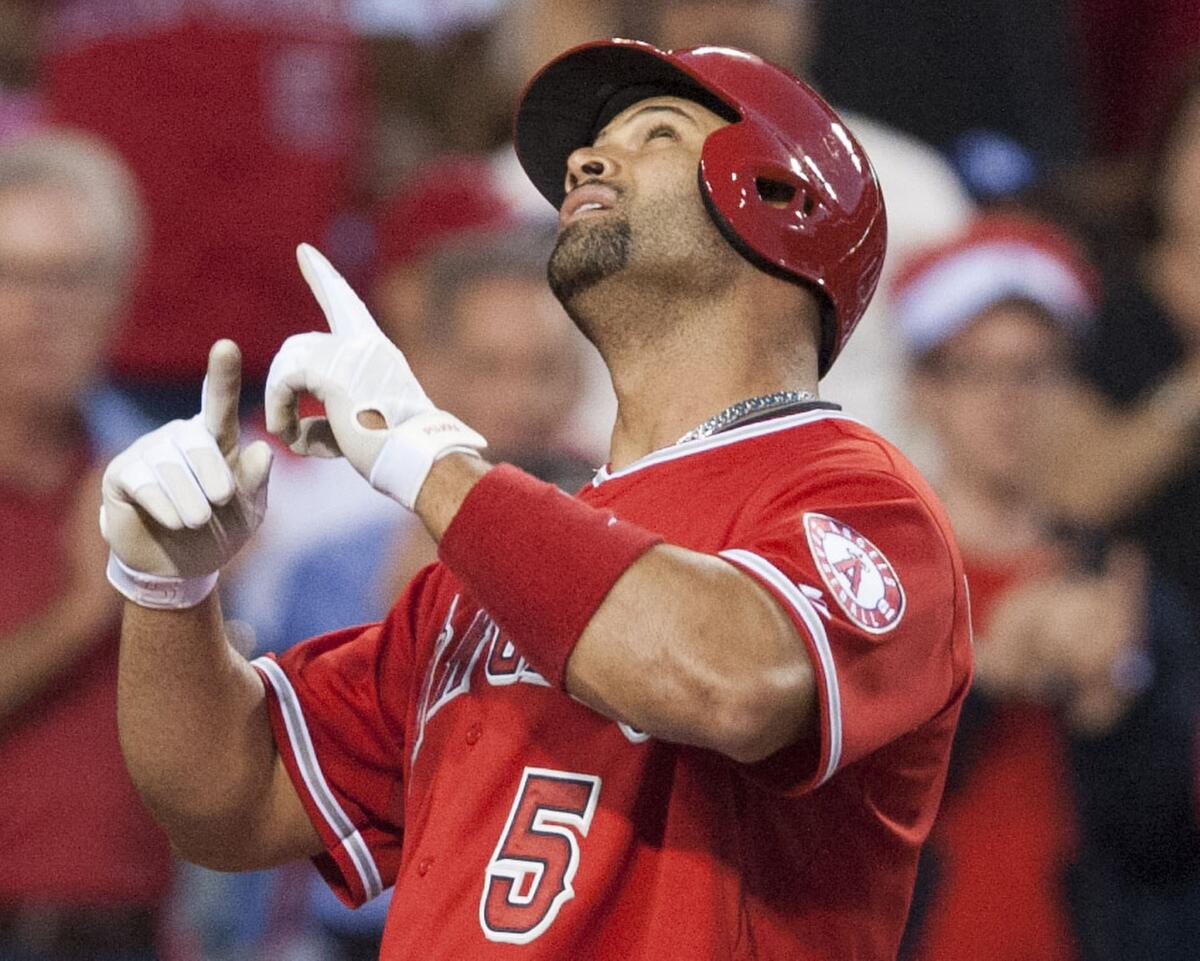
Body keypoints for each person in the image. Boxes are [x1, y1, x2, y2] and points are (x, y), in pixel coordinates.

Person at [98, 40, 972, 959]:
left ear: (784, 200)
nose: (586, 160)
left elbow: (731, 681)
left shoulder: (860, 497)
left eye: (655, 133)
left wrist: (425, 457)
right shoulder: (492, 555)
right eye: (591, 147)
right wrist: (167, 589)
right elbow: (232, 798)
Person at [891, 213, 1200, 961]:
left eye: (1035, 369)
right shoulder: (880, 577)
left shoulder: (1125, 589)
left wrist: (1115, 701)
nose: (1007, 399)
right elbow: (838, 808)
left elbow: (1164, 847)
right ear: (926, 388)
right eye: (975, 369)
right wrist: (990, 672)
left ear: (1068, 385)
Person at [0, 128, 171, 961]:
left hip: (145, 928)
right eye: (17, 276)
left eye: (76, 279)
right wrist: (85, 608)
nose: (45, 309)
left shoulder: (165, 474)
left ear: (120, 295)